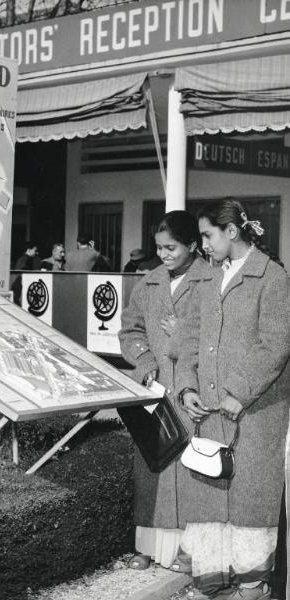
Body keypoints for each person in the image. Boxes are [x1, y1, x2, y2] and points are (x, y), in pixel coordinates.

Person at [175, 198, 290, 599]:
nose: (203, 243)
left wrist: (239, 392)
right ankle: (209, 584)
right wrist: (186, 387)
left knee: (249, 507)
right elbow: (189, 339)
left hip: (256, 416)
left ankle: (253, 588)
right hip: (208, 415)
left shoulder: (271, 277)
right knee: (209, 503)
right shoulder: (206, 277)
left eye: (207, 234)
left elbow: (276, 344)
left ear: (232, 231)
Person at [118, 211, 211, 572]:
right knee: (153, 467)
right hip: (155, 393)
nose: (165, 255)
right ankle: (148, 547)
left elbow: (223, 335)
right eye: (159, 248)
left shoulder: (212, 279)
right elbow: (130, 331)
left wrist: (182, 332)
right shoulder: (149, 283)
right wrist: (144, 365)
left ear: (192, 245)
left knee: (192, 471)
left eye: (172, 248)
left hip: (195, 391)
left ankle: (191, 551)